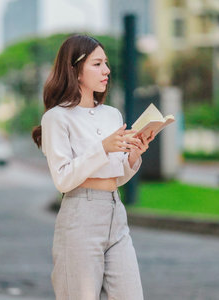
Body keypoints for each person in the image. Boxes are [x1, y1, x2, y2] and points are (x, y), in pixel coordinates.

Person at [32, 34, 154, 300]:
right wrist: (103, 148)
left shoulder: (112, 114)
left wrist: (133, 155)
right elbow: (63, 180)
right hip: (80, 216)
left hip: (115, 211)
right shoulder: (56, 118)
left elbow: (116, 176)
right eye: (97, 64)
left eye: (106, 63)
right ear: (75, 70)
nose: (107, 70)